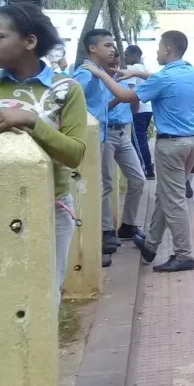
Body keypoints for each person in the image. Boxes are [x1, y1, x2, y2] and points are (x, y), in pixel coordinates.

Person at [0, 3, 87, 304]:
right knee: (4, 296)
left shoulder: (67, 89)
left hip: (53, 208)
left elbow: (75, 154)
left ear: (29, 42)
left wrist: (31, 121)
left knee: (45, 297)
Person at [93, 31, 194, 273]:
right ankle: (151, 245)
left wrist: (101, 74)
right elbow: (158, 78)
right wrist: (136, 73)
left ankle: (183, 254)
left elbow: (125, 96)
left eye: (159, 47)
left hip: (172, 146)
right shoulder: (189, 71)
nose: (156, 52)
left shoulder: (164, 78)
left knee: (174, 200)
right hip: (192, 142)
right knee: (166, 194)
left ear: (168, 50)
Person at [72, 29, 117, 256]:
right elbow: (69, 100)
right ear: (92, 48)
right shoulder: (86, 74)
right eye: (107, 45)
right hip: (87, 141)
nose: (113, 50)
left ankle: (102, 234)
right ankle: (92, 243)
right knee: (89, 189)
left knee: (101, 185)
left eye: (112, 45)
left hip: (100, 138)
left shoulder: (98, 73)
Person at [101, 52, 146, 259]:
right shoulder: (97, 81)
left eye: (117, 62)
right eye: (111, 62)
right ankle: (106, 230)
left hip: (123, 132)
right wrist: (120, 98)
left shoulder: (124, 80)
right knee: (106, 182)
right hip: (106, 132)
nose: (115, 65)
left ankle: (128, 224)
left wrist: (133, 97)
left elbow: (134, 109)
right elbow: (98, 110)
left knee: (138, 179)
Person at [125, 45, 155, 180]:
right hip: (147, 108)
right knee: (141, 140)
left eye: (127, 55)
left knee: (138, 141)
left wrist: (132, 108)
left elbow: (131, 90)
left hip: (138, 109)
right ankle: (146, 166)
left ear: (134, 56)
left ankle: (147, 169)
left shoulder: (132, 70)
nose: (125, 58)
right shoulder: (144, 69)